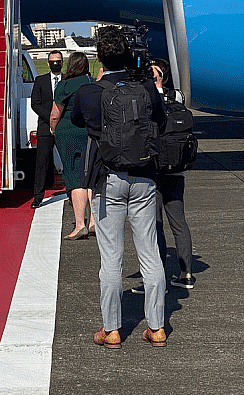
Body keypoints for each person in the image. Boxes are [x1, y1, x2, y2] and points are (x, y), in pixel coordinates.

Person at [70, 26, 167, 348]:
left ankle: (111, 329)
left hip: (107, 177)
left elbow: (78, 123)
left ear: (99, 57)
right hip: (144, 175)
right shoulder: (144, 89)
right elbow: (161, 122)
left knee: (111, 258)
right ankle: (157, 327)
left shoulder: (88, 92)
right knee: (150, 253)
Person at [131, 58, 195, 293]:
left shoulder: (147, 97)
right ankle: (186, 272)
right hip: (177, 170)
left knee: (154, 224)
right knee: (179, 222)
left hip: (155, 168)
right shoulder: (178, 96)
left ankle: (157, 279)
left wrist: (151, 84)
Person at [50, 52, 94, 239]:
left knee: (73, 174)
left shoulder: (64, 85)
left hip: (67, 130)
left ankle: (79, 224)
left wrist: (53, 129)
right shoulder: (92, 83)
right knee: (90, 175)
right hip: (89, 131)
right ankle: (93, 222)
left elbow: (54, 114)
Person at [30, 50, 66, 209]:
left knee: (68, 161)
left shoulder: (67, 80)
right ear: (48, 63)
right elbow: (35, 103)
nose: (55, 64)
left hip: (64, 126)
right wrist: (51, 117)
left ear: (62, 62)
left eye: (58, 61)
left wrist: (59, 120)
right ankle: (38, 197)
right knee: (41, 163)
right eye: (52, 61)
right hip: (45, 127)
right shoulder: (40, 80)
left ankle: (72, 194)